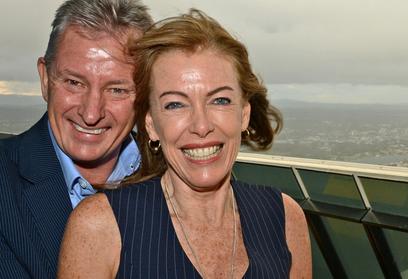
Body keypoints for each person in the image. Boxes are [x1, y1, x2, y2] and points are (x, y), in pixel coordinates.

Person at [58, 9, 312, 278]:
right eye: (175, 104)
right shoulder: (100, 227)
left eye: (220, 100)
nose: (201, 126)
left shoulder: (283, 219)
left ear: (244, 115)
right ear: (151, 125)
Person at [0, 0, 152, 277]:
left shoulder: (181, 182)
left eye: (117, 89)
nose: (91, 113)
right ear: (45, 79)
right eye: (73, 82)